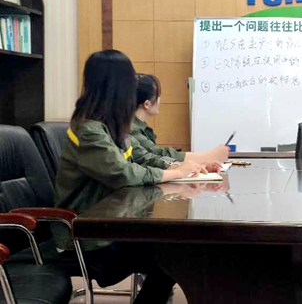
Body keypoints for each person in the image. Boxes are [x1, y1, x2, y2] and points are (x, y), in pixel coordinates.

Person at [53, 50, 220, 304]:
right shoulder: (89, 130)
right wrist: (176, 172)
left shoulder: (110, 125)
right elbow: (123, 173)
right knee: (175, 255)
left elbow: (141, 159)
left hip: (108, 225)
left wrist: (184, 167)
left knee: (176, 251)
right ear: (117, 86)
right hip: (86, 237)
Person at [132, 73, 229, 164]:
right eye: (158, 95)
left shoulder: (138, 125)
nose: (159, 99)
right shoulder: (132, 129)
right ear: (147, 104)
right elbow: (155, 155)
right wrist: (208, 157)